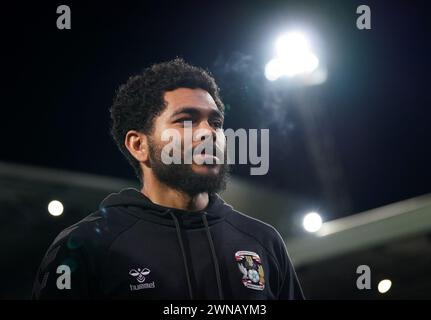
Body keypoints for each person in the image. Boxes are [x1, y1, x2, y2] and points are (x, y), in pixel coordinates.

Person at [32, 58, 304, 300]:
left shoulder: (263, 241)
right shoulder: (86, 245)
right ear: (139, 145)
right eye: (186, 120)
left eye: (216, 123)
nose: (208, 133)